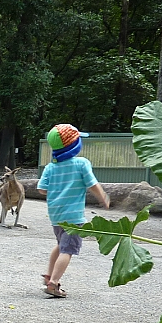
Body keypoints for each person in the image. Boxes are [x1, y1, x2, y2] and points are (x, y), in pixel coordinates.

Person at [36, 124, 109, 298]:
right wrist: (103, 197)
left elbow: (41, 189)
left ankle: (48, 275)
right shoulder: (81, 164)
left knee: (61, 245)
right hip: (73, 216)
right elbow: (92, 184)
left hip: (56, 215)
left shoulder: (50, 167)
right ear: (74, 145)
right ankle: (53, 283)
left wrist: (58, 189)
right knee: (68, 249)